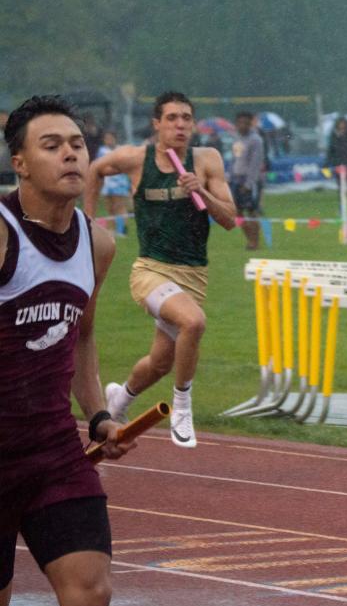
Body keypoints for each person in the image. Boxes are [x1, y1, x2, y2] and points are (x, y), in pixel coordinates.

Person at [2, 96, 135, 606]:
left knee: (91, 594)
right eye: (51, 145)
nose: (70, 154)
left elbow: (80, 339)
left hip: (53, 451)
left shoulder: (98, 244)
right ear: (20, 163)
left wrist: (98, 416)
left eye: (77, 144)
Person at [86, 92, 237, 450]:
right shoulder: (138, 159)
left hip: (193, 275)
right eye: (171, 118)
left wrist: (203, 192)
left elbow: (229, 219)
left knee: (160, 363)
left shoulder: (207, 160)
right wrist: (88, 222)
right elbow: (95, 170)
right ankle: (182, 407)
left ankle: (119, 401)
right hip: (151, 271)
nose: (180, 125)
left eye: (186, 118)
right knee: (194, 323)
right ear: (157, 124)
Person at [231, 111, 266, 250]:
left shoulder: (256, 140)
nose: (242, 126)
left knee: (252, 212)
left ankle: (254, 242)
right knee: (237, 212)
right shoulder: (236, 138)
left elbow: (255, 164)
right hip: (236, 178)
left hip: (250, 180)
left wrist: (248, 184)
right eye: (239, 123)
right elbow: (234, 159)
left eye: (245, 123)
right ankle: (249, 240)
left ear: (250, 123)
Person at [97, 130, 131, 231]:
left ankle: (121, 230)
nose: (108, 141)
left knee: (119, 207)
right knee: (109, 208)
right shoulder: (101, 151)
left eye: (110, 138)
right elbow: (99, 166)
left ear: (115, 139)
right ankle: (111, 230)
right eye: (106, 139)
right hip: (107, 185)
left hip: (119, 184)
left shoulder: (121, 150)